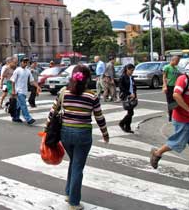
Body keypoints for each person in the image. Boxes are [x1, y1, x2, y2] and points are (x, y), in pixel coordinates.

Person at [45, 65, 109, 210]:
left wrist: (46, 129)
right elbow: (99, 117)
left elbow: (52, 112)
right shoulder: (92, 96)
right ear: (87, 79)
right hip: (83, 136)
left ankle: (68, 192)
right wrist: (105, 134)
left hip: (65, 134)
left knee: (74, 162)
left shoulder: (63, 92)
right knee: (78, 166)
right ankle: (74, 202)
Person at [150, 64, 189, 169]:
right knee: (178, 141)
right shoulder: (183, 79)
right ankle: (157, 153)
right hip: (182, 118)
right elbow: (176, 95)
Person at [11, 57, 40, 125]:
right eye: (24, 62)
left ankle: (15, 117)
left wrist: (38, 86)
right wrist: (13, 90)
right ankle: (28, 118)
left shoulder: (28, 71)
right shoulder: (17, 70)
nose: (25, 63)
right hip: (19, 91)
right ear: (21, 62)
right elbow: (13, 81)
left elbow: (32, 81)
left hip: (24, 91)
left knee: (19, 105)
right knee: (23, 105)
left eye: (26, 62)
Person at [118, 63, 137, 133]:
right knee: (130, 112)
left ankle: (127, 127)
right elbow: (121, 87)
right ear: (127, 69)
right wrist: (129, 94)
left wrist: (134, 94)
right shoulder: (123, 77)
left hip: (132, 96)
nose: (132, 72)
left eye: (133, 70)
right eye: (131, 70)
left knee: (130, 112)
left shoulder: (131, 77)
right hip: (126, 96)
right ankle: (122, 123)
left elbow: (134, 87)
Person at [163, 56, 181, 122]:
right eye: (177, 61)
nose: (178, 63)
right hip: (169, 86)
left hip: (175, 87)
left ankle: (174, 116)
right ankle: (170, 117)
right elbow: (164, 77)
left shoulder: (176, 68)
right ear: (173, 60)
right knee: (170, 102)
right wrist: (165, 86)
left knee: (175, 102)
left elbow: (180, 75)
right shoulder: (167, 67)